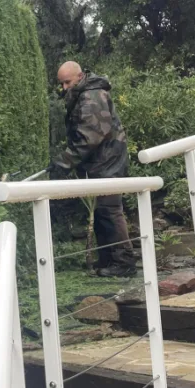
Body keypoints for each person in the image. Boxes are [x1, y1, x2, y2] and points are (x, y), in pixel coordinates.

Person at [47, 61, 137, 278]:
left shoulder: (92, 97)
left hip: (109, 161)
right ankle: (107, 259)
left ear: (79, 77)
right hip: (103, 160)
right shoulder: (85, 93)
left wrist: (64, 162)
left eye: (67, 82)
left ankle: (124, 262)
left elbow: (91, 136)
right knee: (101, 210)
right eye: (61, 84)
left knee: (110, 209)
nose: (64, 88)